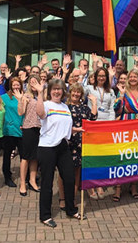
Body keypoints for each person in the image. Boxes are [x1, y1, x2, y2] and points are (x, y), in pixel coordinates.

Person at [35, 78, 85, 228]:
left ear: (64, 92)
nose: (57, 91)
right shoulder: (46, 105)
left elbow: (64, 127)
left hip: (63, 146)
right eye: (54, 89)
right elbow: (40, 114)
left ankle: (71, 209)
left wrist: (76, 130)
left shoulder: (65, 107)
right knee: (47, 182)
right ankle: (45, 215)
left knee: (69, 178)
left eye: (60, 89)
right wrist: (39, 92)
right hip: (47, 147)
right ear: (50, 91)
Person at [113, 69, 138, 201]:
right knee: (123, 156)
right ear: (128, 78)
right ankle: (118, 188)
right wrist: (121, 96)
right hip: (126, 126)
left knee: (136, 157)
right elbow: (117, 109)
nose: (133, 79)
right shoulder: (123, 92)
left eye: (136, 77)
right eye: (131, 77)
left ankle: (133, 186)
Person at [61, 83, 97, 199]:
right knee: (63, 173)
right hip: (67, 143)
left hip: (80, 143)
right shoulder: (64, 107)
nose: (76, 94)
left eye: (78, 92)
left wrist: (94, 102)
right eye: (74, 91)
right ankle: (62, 198)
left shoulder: (84, 108)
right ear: (70, 93)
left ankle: (72, 199)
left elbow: (93, 118)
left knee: (76, 172)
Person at [84, 67, 115, 199]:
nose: (101, 78)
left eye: (104, 76)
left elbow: (112, 109)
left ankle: (99, 183)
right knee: (92, 156)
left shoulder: (111, 91)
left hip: (105, 126)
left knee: (102, 156)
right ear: (95, 76)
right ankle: (90, 185)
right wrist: (80, 75)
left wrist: (110, 123)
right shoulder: (90, 89)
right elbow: (78, 90)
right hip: (93, 125)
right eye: (99, 75)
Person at [15, 74, 42, 196]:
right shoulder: (26, 96)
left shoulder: (44, 96)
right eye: (31, 82)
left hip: (41, 129)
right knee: (25, 157)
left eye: (36, 81)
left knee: (35, 156)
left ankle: (32, 180)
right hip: (28, 128)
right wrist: (21, 100)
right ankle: (22, 183)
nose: (33, 84)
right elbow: (20, 112)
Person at [1, 77, 25, 187]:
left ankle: (26, 176)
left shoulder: (24, 97)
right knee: (7, 155)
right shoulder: (4, 98)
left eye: (18, 85)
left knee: (24, 156)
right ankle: (7, 177)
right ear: (10, 86)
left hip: (21, 130)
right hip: (9, 131)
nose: (16, 87)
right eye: (14, 85)